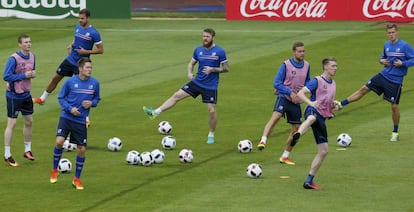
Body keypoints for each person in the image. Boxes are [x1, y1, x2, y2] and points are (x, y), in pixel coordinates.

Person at [143, 28, 229, 144]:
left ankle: (211, 134)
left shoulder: (220, 51)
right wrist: (189, 72)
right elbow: (191, 63)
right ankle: (154, 113)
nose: (205, 38)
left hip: (210, 87)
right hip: (197, 82)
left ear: (213, 38)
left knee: (212, 111)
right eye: (203, 36)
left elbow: (226, 68)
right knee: (177, 95)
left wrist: (212, 69)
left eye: (207, 36)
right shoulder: (198, 50)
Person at [335, 23, 414, 142]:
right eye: (389, 33)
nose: (391, 35)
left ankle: (395, 132)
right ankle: (341, 104)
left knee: (394, 106)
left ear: (397, 32)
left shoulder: (404, 46)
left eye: (393, 32)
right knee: (363, 89)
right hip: (383, 75)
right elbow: (383, 57)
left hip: (395, 81)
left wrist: (403, 64)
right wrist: (381, 61)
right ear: (387, 34)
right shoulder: (386, 45)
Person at [33, 8, 103, 127]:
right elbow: (76, 39)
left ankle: (85, 118)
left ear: (88, 18)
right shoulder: (77, 27)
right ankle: (42, 98)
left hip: (81, 63)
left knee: (80, 90)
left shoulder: (94, 33)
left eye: (82, 18)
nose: (80, 20)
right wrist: (71, 45)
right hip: (70, 59)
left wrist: (85, 51)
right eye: (79, 18)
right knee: (55, 77)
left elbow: (101, 50)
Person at [49, 57, 100, 190]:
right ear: (80, 69)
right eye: (87, 68)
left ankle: (76, 179)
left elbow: (97, 98)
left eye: (91, 68)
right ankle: (54, 170)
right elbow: (60, 98)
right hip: (66, 117)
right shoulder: (70, 82)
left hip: (80, 120)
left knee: (81, 149)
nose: (90, 70)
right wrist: (70, 109)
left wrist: (92, 103)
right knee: (59, 142)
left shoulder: (94, 83)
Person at [257, 41, 310, 166]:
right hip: (284, 97)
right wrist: (289, 91)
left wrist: (306, 87)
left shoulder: (307, 65)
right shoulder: (286, 65)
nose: (302, 53)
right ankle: (263, 140)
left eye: (303, 51)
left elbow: (308, 81)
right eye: (299, 51)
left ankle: (285, 156)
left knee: (296, 130)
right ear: (294, 52)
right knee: (275, 116)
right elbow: (276, 83)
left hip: (296, 101)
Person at [289, 57, 339, 190]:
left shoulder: (333, 83)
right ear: (326, 67)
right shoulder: (317, 80)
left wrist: (333, 108)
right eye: (333, 66)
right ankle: (298, 134)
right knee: (311, 118)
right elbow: (300, 93)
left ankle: (309, 180)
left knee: (323, 151)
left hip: (322, 116)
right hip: (312, 110)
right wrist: (311, 103)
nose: (335, 68)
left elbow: (327, 103)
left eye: (336, 66)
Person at [3, 34, 37, 167]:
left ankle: (27, 150)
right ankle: (7, 154)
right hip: (14, 95)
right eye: (26, 42)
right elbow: (6, 76)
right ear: (20, 44)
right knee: (12, 124)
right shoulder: (13, 59)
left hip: (26, 94)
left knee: (29, 121)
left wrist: (32, 75)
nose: (28, 44)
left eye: (30, 42)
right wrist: (24, 75)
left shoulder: (33, 57)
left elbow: (31, 72)